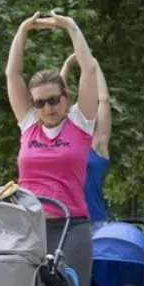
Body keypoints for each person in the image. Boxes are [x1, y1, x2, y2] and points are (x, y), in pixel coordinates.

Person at [0, 12, 102, 286]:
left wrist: (70, 27)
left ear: (67, 98)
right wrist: (22, 31)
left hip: (70, 225)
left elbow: (88, 68)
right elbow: (12, 75)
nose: (47, 107)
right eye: (40, 103)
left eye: (54, 99)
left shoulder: (80, 123)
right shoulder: (28, 127)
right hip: (27, 225)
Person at [60, 52, 114, 225]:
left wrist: (94, 66)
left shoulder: (97, 146)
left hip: (93, 222)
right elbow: (56, 99)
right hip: (61, 220)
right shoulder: (60, 144)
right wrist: (67, 65)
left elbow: (103, 100)